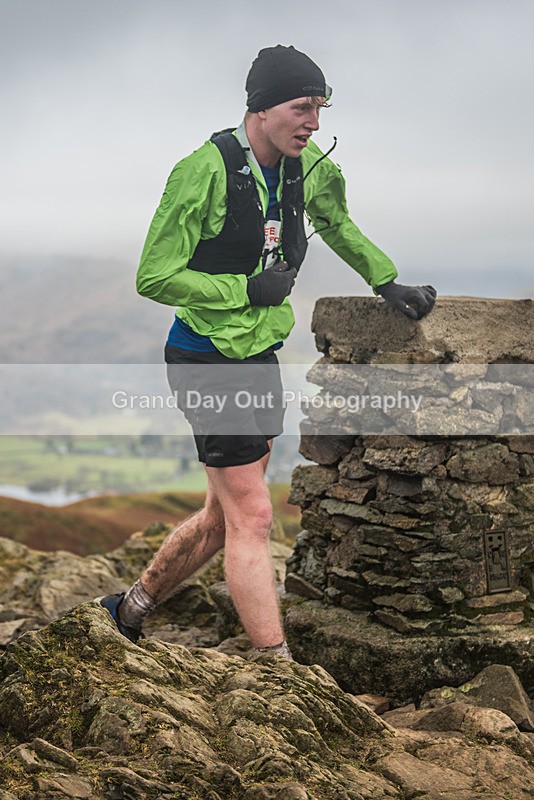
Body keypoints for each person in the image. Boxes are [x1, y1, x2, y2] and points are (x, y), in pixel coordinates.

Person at [99, 45, 436, 659]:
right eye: (302, 107)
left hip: (259, 354)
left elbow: (338, 224)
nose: (313, 122)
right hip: (203, 355)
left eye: (319, 109)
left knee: (225, 512)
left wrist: (387, 281)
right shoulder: (201, 171)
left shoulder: (310, 169)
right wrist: (244, 288)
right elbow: (154, 275)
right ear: (260, 108)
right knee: (254, 516)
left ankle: (128, 609)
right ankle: (275, 666)